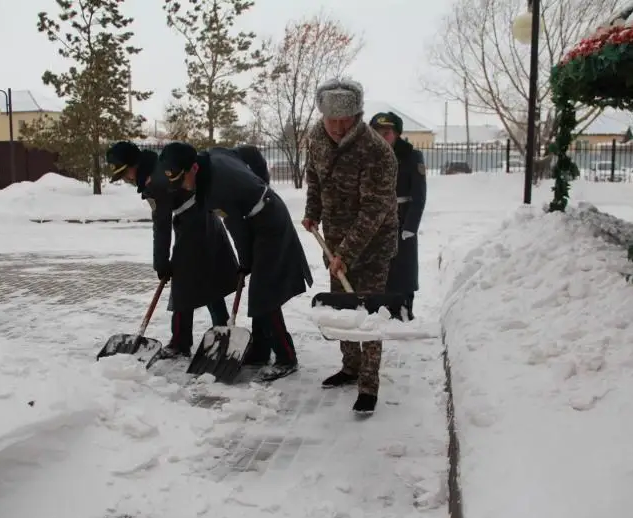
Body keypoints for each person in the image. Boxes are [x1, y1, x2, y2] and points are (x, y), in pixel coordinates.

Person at [147, 141, 313, 382]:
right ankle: (260, 351)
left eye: (181, 180)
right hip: (255, 217)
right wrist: (258, 183)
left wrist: (244, 261)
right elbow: (251, 151)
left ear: (193, 168)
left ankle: (286, 357)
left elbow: (236, 227)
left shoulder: (215, 189)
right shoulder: (212, 154)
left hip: (270, 221)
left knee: (264, 292)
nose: (182, 186)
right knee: (260, 293)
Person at [302, 78, 398, 414]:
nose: (339, 128)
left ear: (358, 116)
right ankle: (350, 366)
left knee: (367, 312)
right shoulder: (315, 137)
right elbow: (314, 176)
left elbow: (376, 210)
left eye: (347, 121)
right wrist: (312, 212)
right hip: (336, 240)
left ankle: (369, 384)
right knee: (343, 307)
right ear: (322, 116)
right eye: (333, 121)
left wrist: (347, 252)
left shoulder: (376, 151)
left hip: (372, 243)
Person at [106, 141, 238, 358]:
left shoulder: (155, 181)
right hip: (206, 219)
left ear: (133, 166)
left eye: (124, 174)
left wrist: (162, 262)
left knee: (182, 284)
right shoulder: (160, 166)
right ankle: (221, 330)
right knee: (207, 278)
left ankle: (180, 341)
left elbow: (162, 224)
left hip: (194, 226)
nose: (126, 180)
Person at [369, 112, 427, 318]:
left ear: (396, 134)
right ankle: (381, 310)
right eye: (377, 133)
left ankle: (403, 310)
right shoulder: (368, 156)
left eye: (387, 133)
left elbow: (419, 196)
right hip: (376, 219)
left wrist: (410, 227)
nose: (382, 137)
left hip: (402, 217)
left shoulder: (411, 156)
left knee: (403, 268)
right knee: (380, 267)